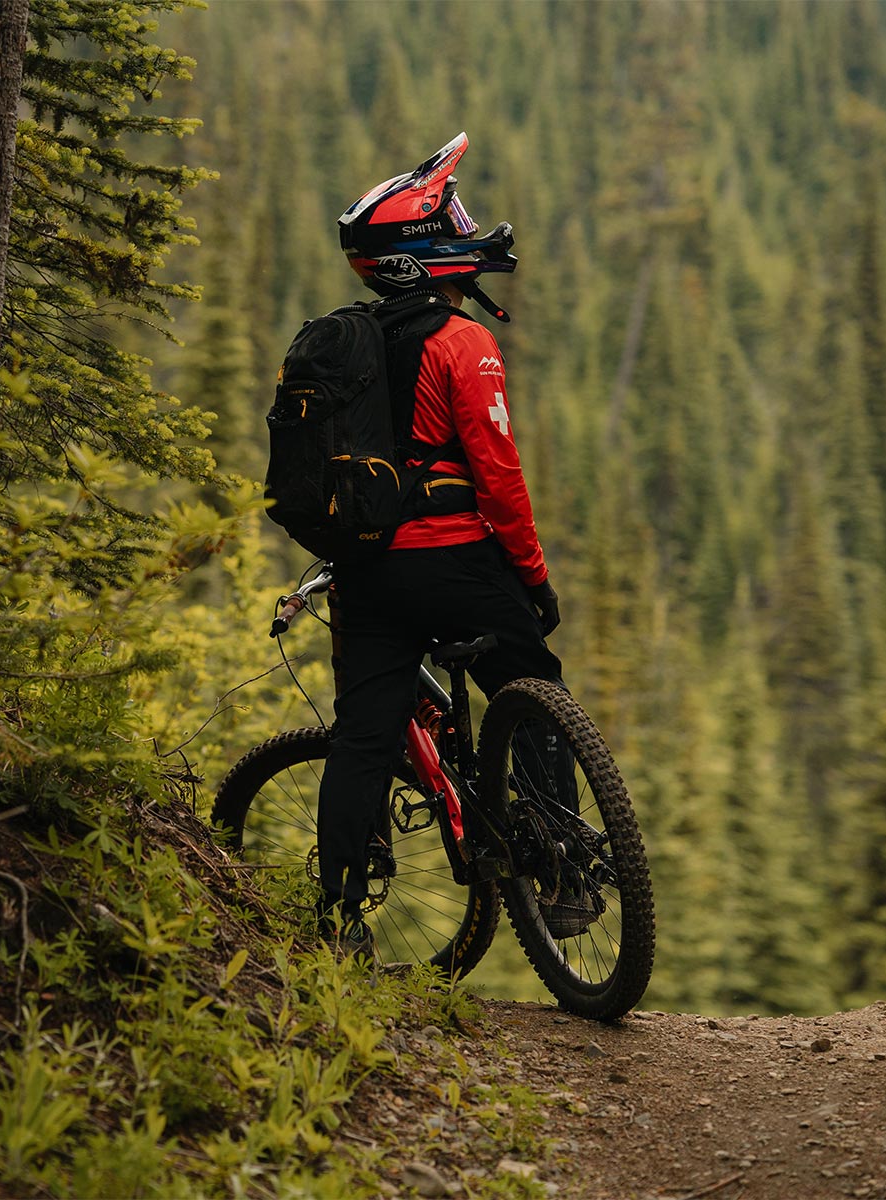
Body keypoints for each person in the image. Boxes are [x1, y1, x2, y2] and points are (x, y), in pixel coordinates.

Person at [316, 132, 565, 958]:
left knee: (362, 736)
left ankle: (339, 923)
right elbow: (498, 474)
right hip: (455, 559)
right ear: (419, 252)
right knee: (532, 684)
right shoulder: (463, 345)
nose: (468, 226)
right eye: (450, 217)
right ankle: (563, 881)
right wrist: (530, 575)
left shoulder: (342, 346)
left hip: (367, 571)